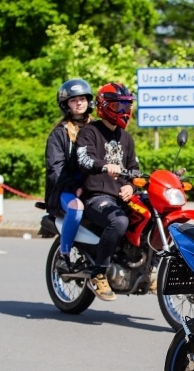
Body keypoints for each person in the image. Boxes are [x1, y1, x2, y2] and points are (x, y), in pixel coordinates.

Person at [76, 82, 139, 301]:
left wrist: (131, 185)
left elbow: (135, 169)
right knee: (119, 222)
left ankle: (145, 269)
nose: (123, 112)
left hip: (122, 198)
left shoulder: (126, 138)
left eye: (126, 106)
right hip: (96, 196)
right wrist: (103, 165)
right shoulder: (90, 132)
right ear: (103, 106)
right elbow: (83, 159)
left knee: (149, 216)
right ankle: (98, 273)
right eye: (117, 106)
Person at [45, 78, 95, 273]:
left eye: (82, 98)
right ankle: (64, 255)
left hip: (94, 187)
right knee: (76, 208)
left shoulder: (98, 129)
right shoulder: (59, 134)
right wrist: (76, 187)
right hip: (65, 190)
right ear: (66, 104)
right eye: (74, 100)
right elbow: (55, 169)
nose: (79, 103)